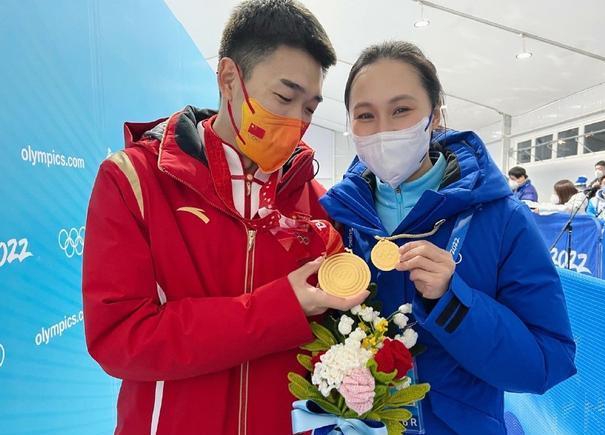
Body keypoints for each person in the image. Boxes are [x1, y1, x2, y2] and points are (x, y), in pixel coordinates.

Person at [81, 1, 369, 434]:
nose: (296, 122)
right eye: (284, 98)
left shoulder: (318, 206)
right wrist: (278, 310)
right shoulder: (134, 180)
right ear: (229, 78)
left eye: (309, 108)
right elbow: (120, 338)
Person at [320, 41, 576, 435]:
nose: (383, 130)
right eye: (365, 115)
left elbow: (547, 363)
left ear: (435, 115)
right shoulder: (335, 220)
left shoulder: (501, 219)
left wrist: (453, 302)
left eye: (401, 110)